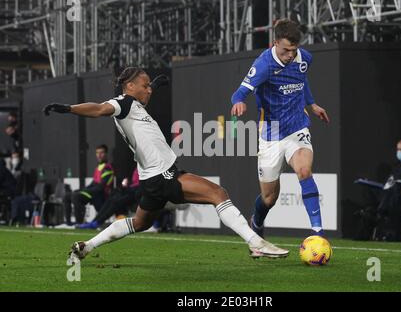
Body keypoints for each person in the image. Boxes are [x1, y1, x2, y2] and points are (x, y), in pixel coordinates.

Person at [43, 67, 288, 261]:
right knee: (218, 193)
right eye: (145, 85)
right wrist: (68, 108)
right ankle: (255, 242)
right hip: (162, 176)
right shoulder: (122, 103)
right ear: (129, 86)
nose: (149, 90)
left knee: (140, 223)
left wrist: (155, 86)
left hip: (153, 180)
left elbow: (138, 102)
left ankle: (88, 246)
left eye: (150, 86)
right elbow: (98, 109)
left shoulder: (134, 105)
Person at [230, 19, 330, 237]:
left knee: (304, 171)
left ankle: (318, 233)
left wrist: (311, 104)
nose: (290, 56)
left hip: (297, 127)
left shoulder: (304, 58)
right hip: (271, 135)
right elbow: (239, 93)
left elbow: (302, 81)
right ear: (275, 43)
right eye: (285, 51)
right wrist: (238, 102)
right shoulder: (264, 65)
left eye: (293, 50)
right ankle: (257, 220)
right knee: (269, 198)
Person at [64, 145, 114, 225]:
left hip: (101, 196)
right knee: (67, 196)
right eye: (97, 153)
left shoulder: (108, 168)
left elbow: (101, 187)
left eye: (101, 152)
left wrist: (84, 191)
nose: (99, 155)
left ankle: (79, 223)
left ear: (106, 154)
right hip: (94, 193)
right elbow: (93, 183)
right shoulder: (99, 167)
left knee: (76, 196)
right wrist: (82, 190)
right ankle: (68, 223)